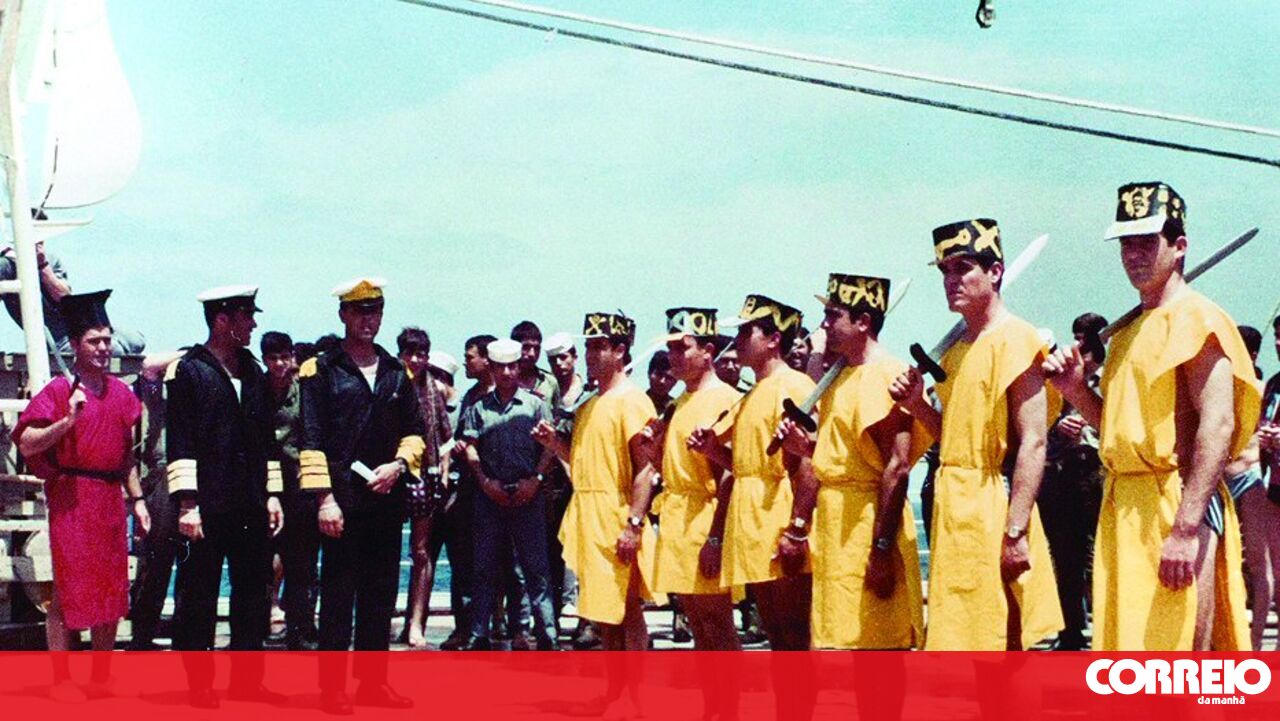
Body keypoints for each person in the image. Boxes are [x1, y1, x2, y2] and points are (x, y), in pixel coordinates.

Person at [1044, 182, 1257, 651]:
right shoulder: (1125, 335)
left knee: (1179, 658)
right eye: (1126, 243)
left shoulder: (1200, 321)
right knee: (1130, 658)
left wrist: (1185, 527)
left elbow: (1218, 425)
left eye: (1147, 242)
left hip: (1176, 502)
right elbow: (1118, 428)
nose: (1134, 254)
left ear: (1179, 246)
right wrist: (1075, 389)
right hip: (1124, 506)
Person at [890, 218, 1063, 651]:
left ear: (995, 272)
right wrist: (916, 404)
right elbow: (953, 437)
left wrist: (1016, 530)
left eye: (963, 268)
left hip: (992, 501)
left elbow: (1033, 442)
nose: (951, 280)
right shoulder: (955, 349)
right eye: (945, 271)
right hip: (952, 504)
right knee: (959, 643)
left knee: (1001, 638)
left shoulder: (1019, 340)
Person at [777, 275, 929, 651]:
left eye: (833, 315)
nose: (824, 325)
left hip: (868, 524)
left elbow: (897, 467)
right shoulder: (839, 376)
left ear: (863, 321)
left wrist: (881, 550)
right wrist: (803, 448)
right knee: (836, 647)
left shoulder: (890, 375)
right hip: (834, 527)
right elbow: (841, 455)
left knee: (878, 645)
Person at [14, 290, 146, 701]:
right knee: (68, 590)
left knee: (111, 591)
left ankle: (100, 678)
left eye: (107, 340)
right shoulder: (58, 391)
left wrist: (139, 500)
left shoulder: (122, 394)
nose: (103, 348)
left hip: (110, 500)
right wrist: (67, 421)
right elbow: (27, 442)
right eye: (94, 341)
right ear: (75, 345)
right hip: (72, 498)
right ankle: (61, 679)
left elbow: (127, 457)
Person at [299, 278, 424, 713]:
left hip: (385, 501)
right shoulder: (320, 370)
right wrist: (324, 500)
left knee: (380, 597)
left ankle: (373, 684)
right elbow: (310, 439)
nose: (368, 320)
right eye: (360, 311)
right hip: (342, 503)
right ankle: (332, 689)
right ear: (343, 315)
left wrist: (399, 465)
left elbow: (415, 431)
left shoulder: (395, 370)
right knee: (337, 597)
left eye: (375, 312)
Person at [532, 311, 659, 718]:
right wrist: (555, 444)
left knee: (628, 609)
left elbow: (645, 468)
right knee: (605, 613)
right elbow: (584, 462)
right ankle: (615, 690)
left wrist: (634, 523)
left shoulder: (633, 401)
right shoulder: (590, 404)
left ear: (620, 351)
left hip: (617, 514)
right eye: (588, 346)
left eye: (599, 346)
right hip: (588, 513)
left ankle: (637, 696)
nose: (590, 354)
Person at [165, 286, 284, 708]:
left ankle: (247, 683)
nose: (253, 324)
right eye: (246, 317)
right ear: (222, 320)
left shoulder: (252, 371)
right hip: (206, 506)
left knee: (253, 595)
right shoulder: (189, 372)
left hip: (250, 503)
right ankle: (199, 686)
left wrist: (272, 494)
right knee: (197, 595)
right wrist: (187, 504)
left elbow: (265, 437)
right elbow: (180, 441)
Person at [688, 295, 816, 652]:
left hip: (778, 518)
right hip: (751, 524)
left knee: (794, 633)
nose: (738, 340)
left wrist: (797, 528)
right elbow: (744, 465)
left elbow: (810, 461)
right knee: (775, 632)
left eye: (747, 332)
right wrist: (712, 450)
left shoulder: (794, 385)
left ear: (774, 339)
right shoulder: (750, 394)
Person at [645, 308, 742, 716]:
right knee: (698, 623)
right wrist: (654, 448)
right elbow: (671, 465)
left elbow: (730, 472)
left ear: (708, 350)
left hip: (706, 515)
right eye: (670, 349)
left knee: (717, 621)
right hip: (678, 515)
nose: (674, 357)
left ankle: (730, 707)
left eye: (682, 348)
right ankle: (712, 704)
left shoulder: (724, 399)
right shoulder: (681, 401)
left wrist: (716, 537)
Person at [456, 338, 559, 650]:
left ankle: (547, 634)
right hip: (490, 497)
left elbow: (549, 447)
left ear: (518, 367)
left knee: (536, 569)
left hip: (529, 495)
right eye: (500, 367)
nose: (506, 373)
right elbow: (470, 448)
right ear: (492, 367)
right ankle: (479, 634)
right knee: (484, 568)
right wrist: (485, 482)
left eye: (511, 367)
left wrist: (536, 480)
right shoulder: (477, 408)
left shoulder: (535, 405)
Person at [1038, 312, 1107, 650]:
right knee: (1066, 555)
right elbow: (1039, 421)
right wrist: (1057, 427)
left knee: (1102, 554)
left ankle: (1107, 627)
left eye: (1088, 338)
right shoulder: (1060, 376)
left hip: (1097, 472)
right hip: (1062, 473)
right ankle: (1070, 630)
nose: (1081, 343)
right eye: (1078, 335)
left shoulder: (1111, 378)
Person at [435, 334, 497, 650]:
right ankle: (466, 628)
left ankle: (499, 626)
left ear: (487, 359)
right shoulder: (470, 398)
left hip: (498, 490)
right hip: (470, 491)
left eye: (470, 356)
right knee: (463, 563)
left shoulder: (503, 395)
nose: (466, 362)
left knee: (502, 565)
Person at [261, 331, 319, 651]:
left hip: (298, 483)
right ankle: (259, 627)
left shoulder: (304, 392)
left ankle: (301, 631)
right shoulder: (256, 391)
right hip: (265, 482)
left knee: (301, 563)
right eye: (273, 358)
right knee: (262, 560)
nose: (280, 364)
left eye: (285, 357)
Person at [396, 327, 452, 649]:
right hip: (394, 474)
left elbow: (446, 436)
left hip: (425, 477)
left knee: (420, 551)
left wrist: (443, 471)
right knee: (386, 551)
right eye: (410, 353)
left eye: (421, 354)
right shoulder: (391, 384)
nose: (415, 360)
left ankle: (416, 622)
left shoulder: (434, 388)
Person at [1229, 325, 1278, 649]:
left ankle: (1256, 640)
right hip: (1221, 479)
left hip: (1250, 477)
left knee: (1260, 563)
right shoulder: (1219, 386)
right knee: (1222, 560)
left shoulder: (1262, 389)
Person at [542, 331, 584, 635]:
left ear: (574, 357)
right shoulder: (548, 393)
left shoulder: (587, 394)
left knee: (583, 554)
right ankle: (553, 619)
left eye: (564, 357)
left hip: (581, 482)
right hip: (552, 485)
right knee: (553, 553)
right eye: (553, 360)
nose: (559, 364)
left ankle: (588, 622)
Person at [511, 320, 561, 405]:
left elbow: (556, 411)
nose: (532, 354)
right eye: (526, 347)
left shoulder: (550, 382)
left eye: (537, 348)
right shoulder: (504, 380)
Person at [646, 350, 676, 418]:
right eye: (659, 374)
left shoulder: (677, 409)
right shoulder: (636, 402)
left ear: (675, 382)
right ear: (649, 373)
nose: (662, 381)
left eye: (669, 378)